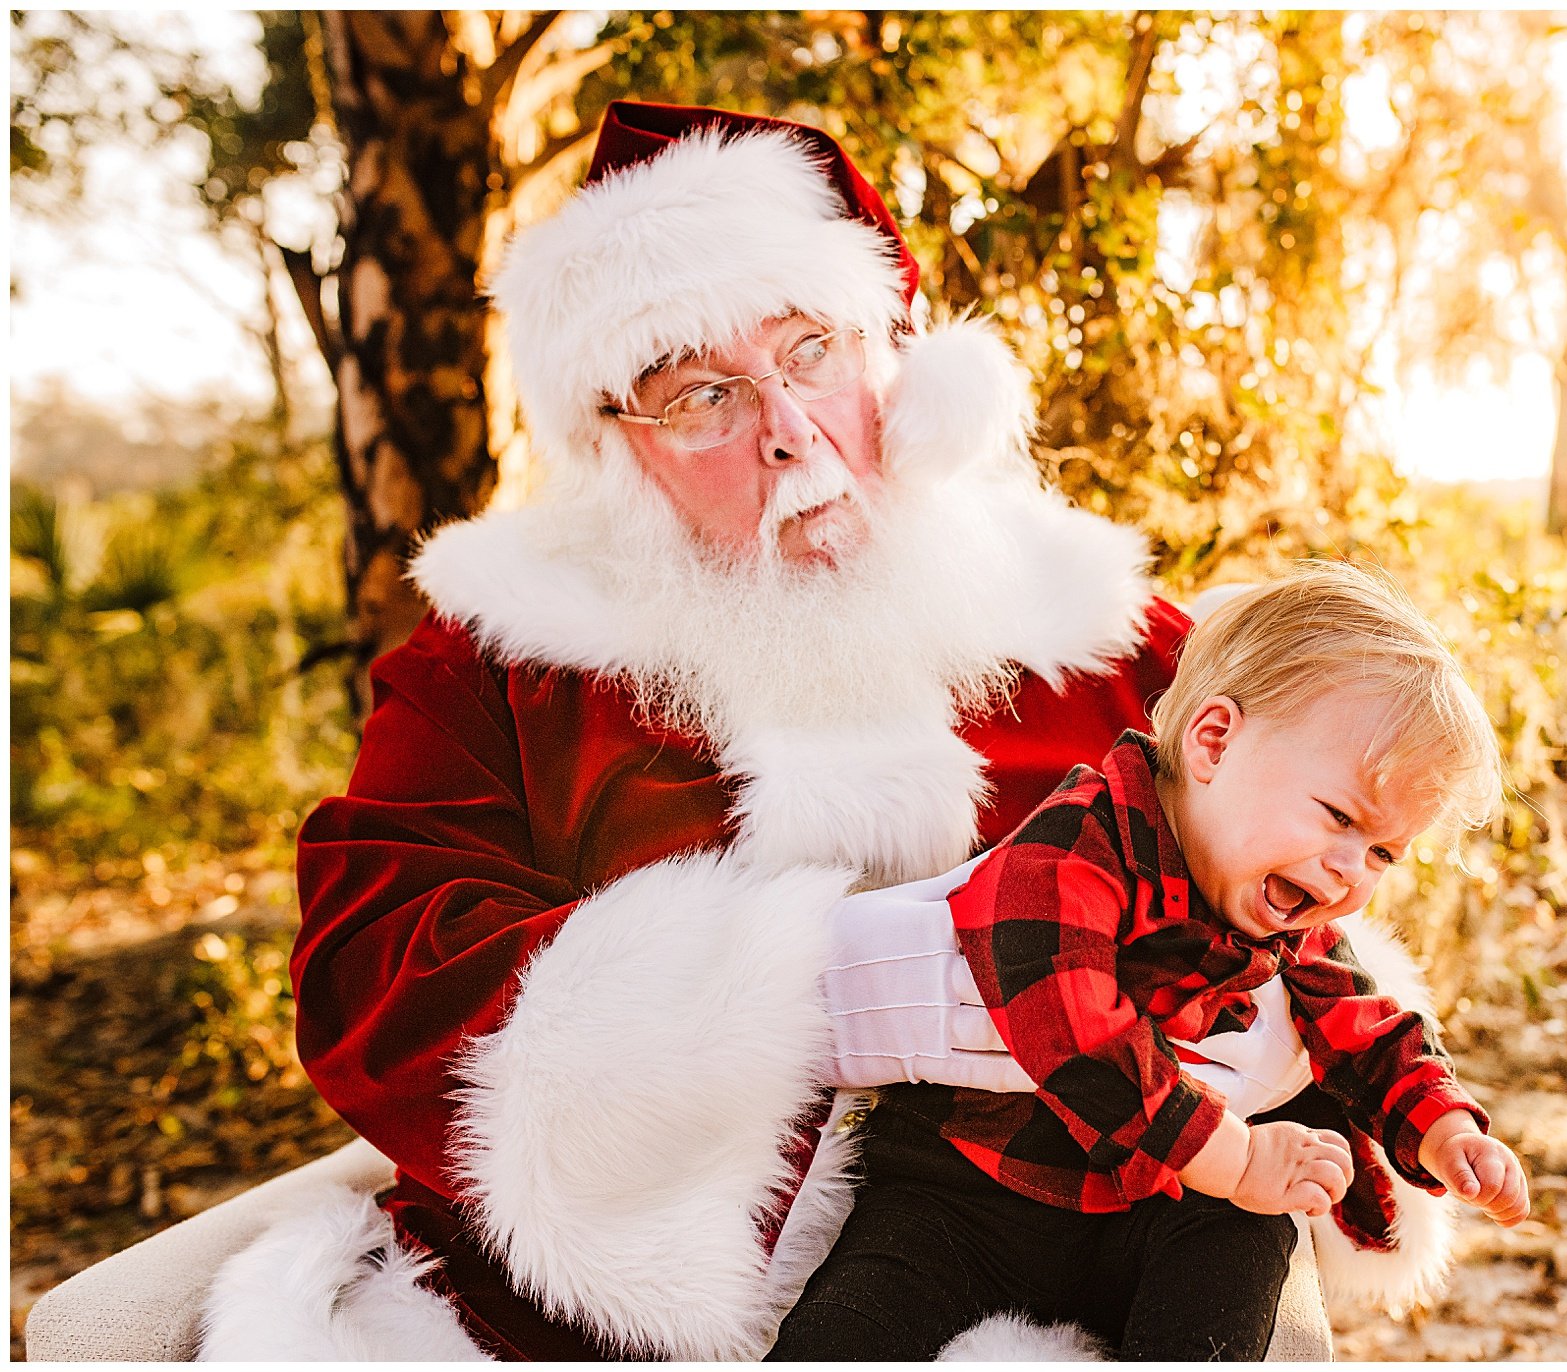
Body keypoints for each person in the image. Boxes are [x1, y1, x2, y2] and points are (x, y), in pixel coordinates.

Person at [196, 102, 1466, 1362]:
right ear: (614, 446)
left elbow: (1309, 849)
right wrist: (808, 992)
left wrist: (1278, 1034)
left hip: (1055, 1263)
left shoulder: (1103, 628)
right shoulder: (503, 655)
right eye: (699, 392)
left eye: (810, 351)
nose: (789, 433)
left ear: (895, 361)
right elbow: (371, 973)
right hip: (636, 1314)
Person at [769, 563, 1529, 1360]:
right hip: (971, 1195)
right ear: (1214, 742)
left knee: (1249, 1228)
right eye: (1338, 816)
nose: (1350, 868)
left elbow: (1366, 1026)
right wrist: (1232, 1155)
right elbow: (1074, 1028)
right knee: (860, 1320)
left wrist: (1442, 1127)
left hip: (1148, 1207)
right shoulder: (1069, 850)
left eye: (1383, 852)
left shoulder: (1280, 914)